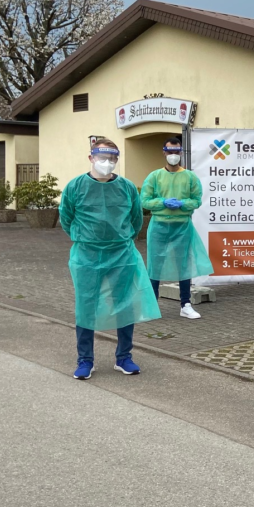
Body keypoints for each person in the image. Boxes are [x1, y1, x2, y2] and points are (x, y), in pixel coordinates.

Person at [59, 138, 161, 380]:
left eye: (112, 158)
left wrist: (121, 239)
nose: (107, 162)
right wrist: (84, 237)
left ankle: (124, 357)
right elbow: (66, 218)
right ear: (91, 157)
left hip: (122, 254)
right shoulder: (75, 187)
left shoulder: (126, 188)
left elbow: (136, 220)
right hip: (87, 254)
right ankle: (85, 360)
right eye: (102, 157)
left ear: (117, 159)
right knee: (86, 306)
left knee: (124, 304)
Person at [141, 137, 213, 319]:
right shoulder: (155, 176)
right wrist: (163, 202)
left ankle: (185, 304)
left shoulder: (189, 176)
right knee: (155, 264)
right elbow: (145, 200)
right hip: (159, 225)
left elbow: (196, 200)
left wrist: (182, 204)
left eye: (176, 152)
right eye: (170, 151)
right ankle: (152, 304)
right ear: (164, 152)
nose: (173, 155)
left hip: (182, 226)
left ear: (180, 153)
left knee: (183, 265)